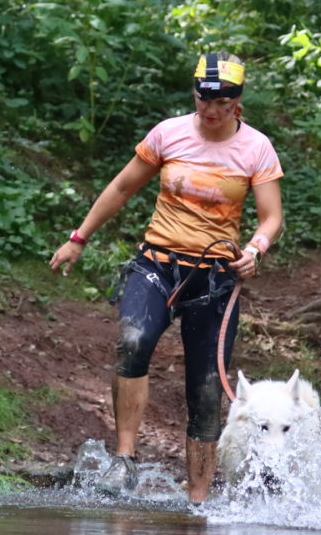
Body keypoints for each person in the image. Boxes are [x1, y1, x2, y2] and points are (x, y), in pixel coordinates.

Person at [49, 51, 284, 503]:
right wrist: (79, 238)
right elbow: (122, 186)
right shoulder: (169, 133)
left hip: (214, 276)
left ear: (238, 100)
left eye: (222, 101)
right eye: (203, 98)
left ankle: (198, 498)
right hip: (157, 263)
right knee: (133, 341)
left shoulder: (256, 147)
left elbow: (271, 217)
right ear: (194, 93)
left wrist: (255, 249)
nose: (210, 109)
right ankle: (124, 459)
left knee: (206, 388)